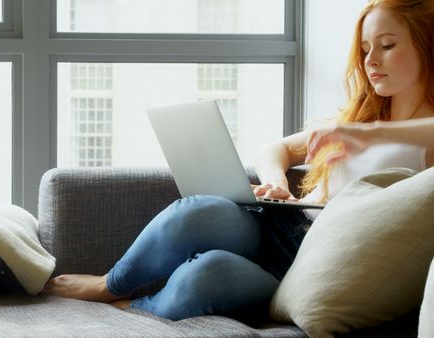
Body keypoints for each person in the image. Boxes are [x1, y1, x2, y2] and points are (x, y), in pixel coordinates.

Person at [44, 0, 434, 321]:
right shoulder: (357, 120)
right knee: (197, 211)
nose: (370, 61)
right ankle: (110, 284)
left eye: (386, 45)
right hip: (288, 221)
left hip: (313, 263)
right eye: (365, 49)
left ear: (426, 44)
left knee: (205, 274)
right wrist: (277, 182)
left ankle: (134, 308)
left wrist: (367, 134)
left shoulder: (404, 136)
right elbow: (272, 149)